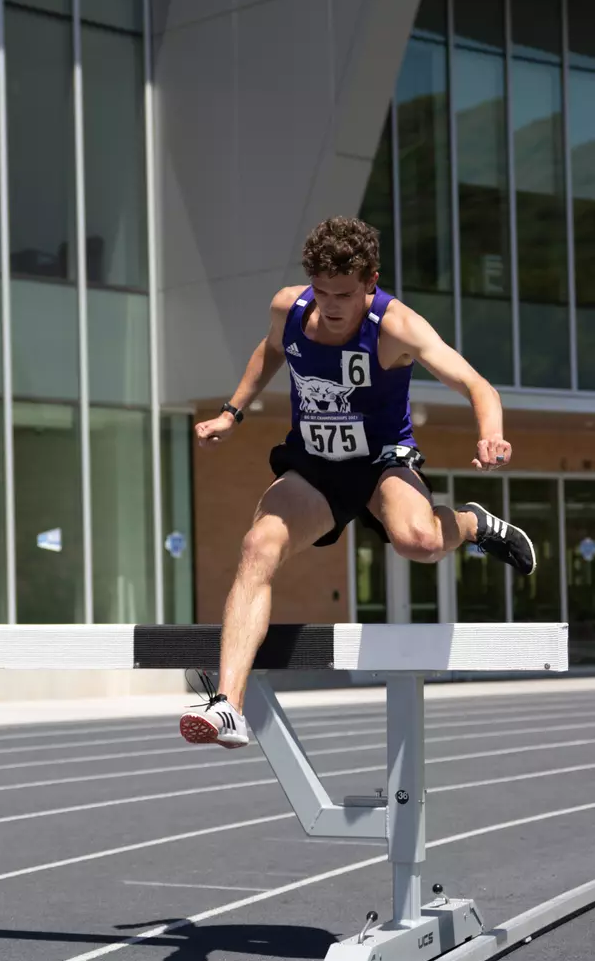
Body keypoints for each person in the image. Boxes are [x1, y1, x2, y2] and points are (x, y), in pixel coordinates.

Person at [179, 216, 536, 750]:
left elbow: (476, 384)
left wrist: (492, 435)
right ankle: (229, 705)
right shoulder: (291, 309)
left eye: (344, 294)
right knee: (257, 546)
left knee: (418, 542)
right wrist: (233, 411)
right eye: (321, 292)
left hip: (381, 465)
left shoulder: (397, 327)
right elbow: (271, 350)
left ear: (370, 279)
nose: (331, 306)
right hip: (316, 467)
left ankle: (471, 522)